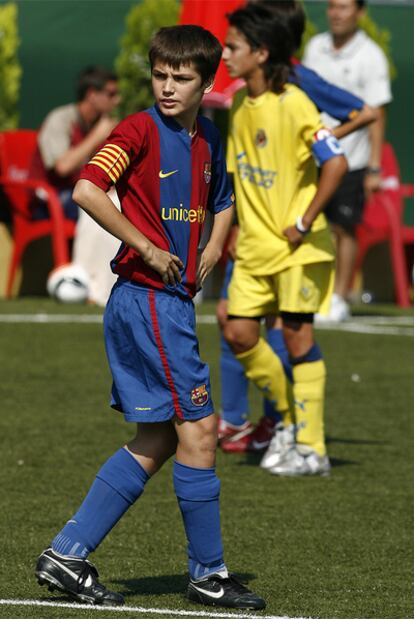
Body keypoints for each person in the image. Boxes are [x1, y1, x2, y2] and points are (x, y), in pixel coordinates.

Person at [34, 25, 265, 611]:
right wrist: (147, 245)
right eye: (160, 75)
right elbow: (88, 190)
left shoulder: (210, 138)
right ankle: (208, 574)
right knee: (202, 432)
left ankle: (68, 553)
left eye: (180, 78)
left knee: (161, 437)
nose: (166, 87)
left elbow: (224, 199)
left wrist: (212, 249)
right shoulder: (137, 129)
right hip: (147, 301)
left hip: (171, 305)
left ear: (205, 83)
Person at [217, 0, 377, 455]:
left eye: (233, 46)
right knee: (236, 325)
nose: (225, 55)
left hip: (291, 240)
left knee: (291, 332)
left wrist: (307, 156)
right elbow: (240, 173)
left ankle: (292, 432)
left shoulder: (298, 91)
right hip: (252, 238)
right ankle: (272, 418)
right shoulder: (242, 103)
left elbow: (359, 120)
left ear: (264, 49)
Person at [303, 0, 392, 321]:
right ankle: (311, 291)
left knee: (344, 228)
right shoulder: (315, 47)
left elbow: (377, 114)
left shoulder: (371, 57)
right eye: (332, 7)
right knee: (311, 224)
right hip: (311, 156)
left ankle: (339, 297)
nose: (336, 13)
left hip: (351, 160)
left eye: (343, 7)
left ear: (360, 13)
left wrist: (374, 166)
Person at [30, 66, 122, 306]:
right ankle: (84, 285)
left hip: (80, 193)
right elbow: (62, 167)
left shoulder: (104, 124)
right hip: (49, 196)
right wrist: (98, 136)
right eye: (111, 94)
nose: (117, 100)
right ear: (92, 94)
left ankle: (109, 288)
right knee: (94, 202)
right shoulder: (60, 119)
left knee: (118, 203)